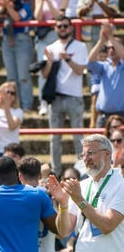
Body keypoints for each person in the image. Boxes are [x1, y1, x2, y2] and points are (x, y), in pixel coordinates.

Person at [42, 16, 88, 169]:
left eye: (65, 26)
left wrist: (67, 60)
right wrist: (49, 62)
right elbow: (44, 75)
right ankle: (56, 171)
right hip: (55, 98)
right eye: (59, 26)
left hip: (74, 97)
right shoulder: (50, 48)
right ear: (55, 28)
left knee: (78, 138)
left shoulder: (80, 46)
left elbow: (80, 70)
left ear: (71, 28)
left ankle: (82, 171)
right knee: (54, 138)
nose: (62, 29)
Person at [88, 23, 124, 128]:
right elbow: (89, 61)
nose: (111, 50)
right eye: (108, 48)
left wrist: (111, 37)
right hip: (103, 117)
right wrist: (102, 41)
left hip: (121, 116)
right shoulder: (104, 66)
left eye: (114, 47)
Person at [0, 82, 24, 156]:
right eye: (7, 92)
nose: (9, 95)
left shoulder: (18, 111)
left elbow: (12, 127)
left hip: (13, 152)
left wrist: (6, 107)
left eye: (12, 93)